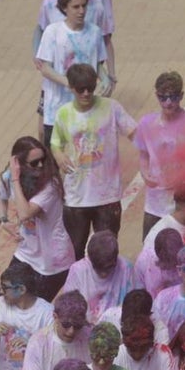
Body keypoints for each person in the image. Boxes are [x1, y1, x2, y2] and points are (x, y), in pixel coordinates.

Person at [51, 64, 138, 259]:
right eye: (81, 89)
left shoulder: (111, 107)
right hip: (76, 196)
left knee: (107, 253)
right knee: (75, 252)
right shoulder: (63, 113)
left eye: (90, 87)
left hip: (107, 196)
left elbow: (135, 133)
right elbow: (55, 143)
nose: (86, 92)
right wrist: (58, 155)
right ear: (71, 88)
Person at [0, 136, 75, 301]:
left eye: (43, 160)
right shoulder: (10, 177)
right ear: (18, 164)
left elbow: (25, 213)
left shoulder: (51, 185)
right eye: (34, 163)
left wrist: (15, 179)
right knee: (9, 295)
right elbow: (2, 193)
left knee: (32, 306)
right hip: (26, 252)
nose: (40, 165)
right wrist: (3, 220)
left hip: (51, 262)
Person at [35, 0, 108, 146]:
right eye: (76, 7)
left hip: (86, 109)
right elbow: (45, 67)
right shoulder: (52, 32)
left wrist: (105, 79)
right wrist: (69, 83)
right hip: (57, 108)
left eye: (84, 6)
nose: (81, 11)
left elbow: (98, 64)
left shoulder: (95, 32)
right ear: (64, 8)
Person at [135, 71, 185, 238]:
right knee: (150, 249)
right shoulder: (146, 123)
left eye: (173, 97)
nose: (168, 103)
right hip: (154, 204)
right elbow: (144, 154)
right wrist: (145, 173)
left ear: (181, 95)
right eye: (163, 98)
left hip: (181, 204)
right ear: (156, 96)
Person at [63, 230, 140, 323]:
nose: (103, 274)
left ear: (115, 260)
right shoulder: (78, 270)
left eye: (108, 268)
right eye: (98, 269)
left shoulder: (126, 268)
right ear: (90, 260)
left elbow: (133, 303)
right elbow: (69, 306)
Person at [134, 228, 185, 299]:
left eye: (174, 261)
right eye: (168, 261)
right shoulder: (144, 261)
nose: (172, 266)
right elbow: (139, 293)